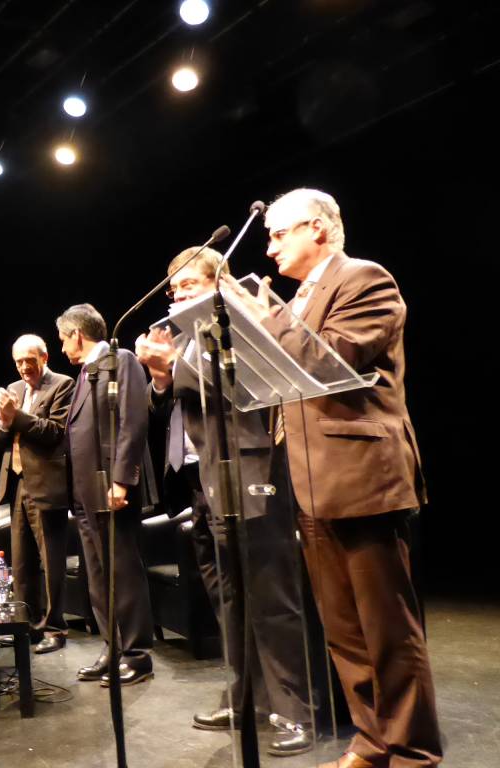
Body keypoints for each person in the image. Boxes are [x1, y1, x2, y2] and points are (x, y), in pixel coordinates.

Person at [227, 188, 440, 768]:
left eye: (279, 234)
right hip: (311, 481)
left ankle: (413, 754)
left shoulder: (364, 279)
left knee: (387, 630)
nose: (270, 248)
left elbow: (332, 359)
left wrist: (266, 318)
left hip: (364, 478)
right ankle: (372, 743)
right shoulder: (299, 298)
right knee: (344, 632)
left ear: (317, 228)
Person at [136, 247, 313, 756]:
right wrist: (162, 377)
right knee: (228, 598)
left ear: (219, 282)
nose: (178, 295)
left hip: (250, 473)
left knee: (271, 598)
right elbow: (167, 404)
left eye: (189, 284)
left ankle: (297, 710)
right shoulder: (185, 336)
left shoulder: (242, 322)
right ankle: (248, 697)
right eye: (174, 288)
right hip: (203, 482)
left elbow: (243, 385)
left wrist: (174, 365)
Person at [57, 303, 156, 686]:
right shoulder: (86, 373)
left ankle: (137, 655)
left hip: (111, 488)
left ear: (77, 334)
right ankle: (112, 648)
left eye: (63, 339)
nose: (63, 348)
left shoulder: (120, 360)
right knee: (97, 575)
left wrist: (122, 479)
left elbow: (133, 421)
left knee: (122, 571)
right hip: (85, 493)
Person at [0, 334, 74, 655]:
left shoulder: (62, 385)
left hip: (47, 484)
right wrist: (3, 421)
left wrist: (16, 416)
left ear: (45, 357)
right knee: (21, 561)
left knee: (51, 561)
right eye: (19, 362)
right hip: (18, 483)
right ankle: (26, 625)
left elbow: (55, 432)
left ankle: (55, 628)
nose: (24, 367)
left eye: (30, 360)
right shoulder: (15, 389)